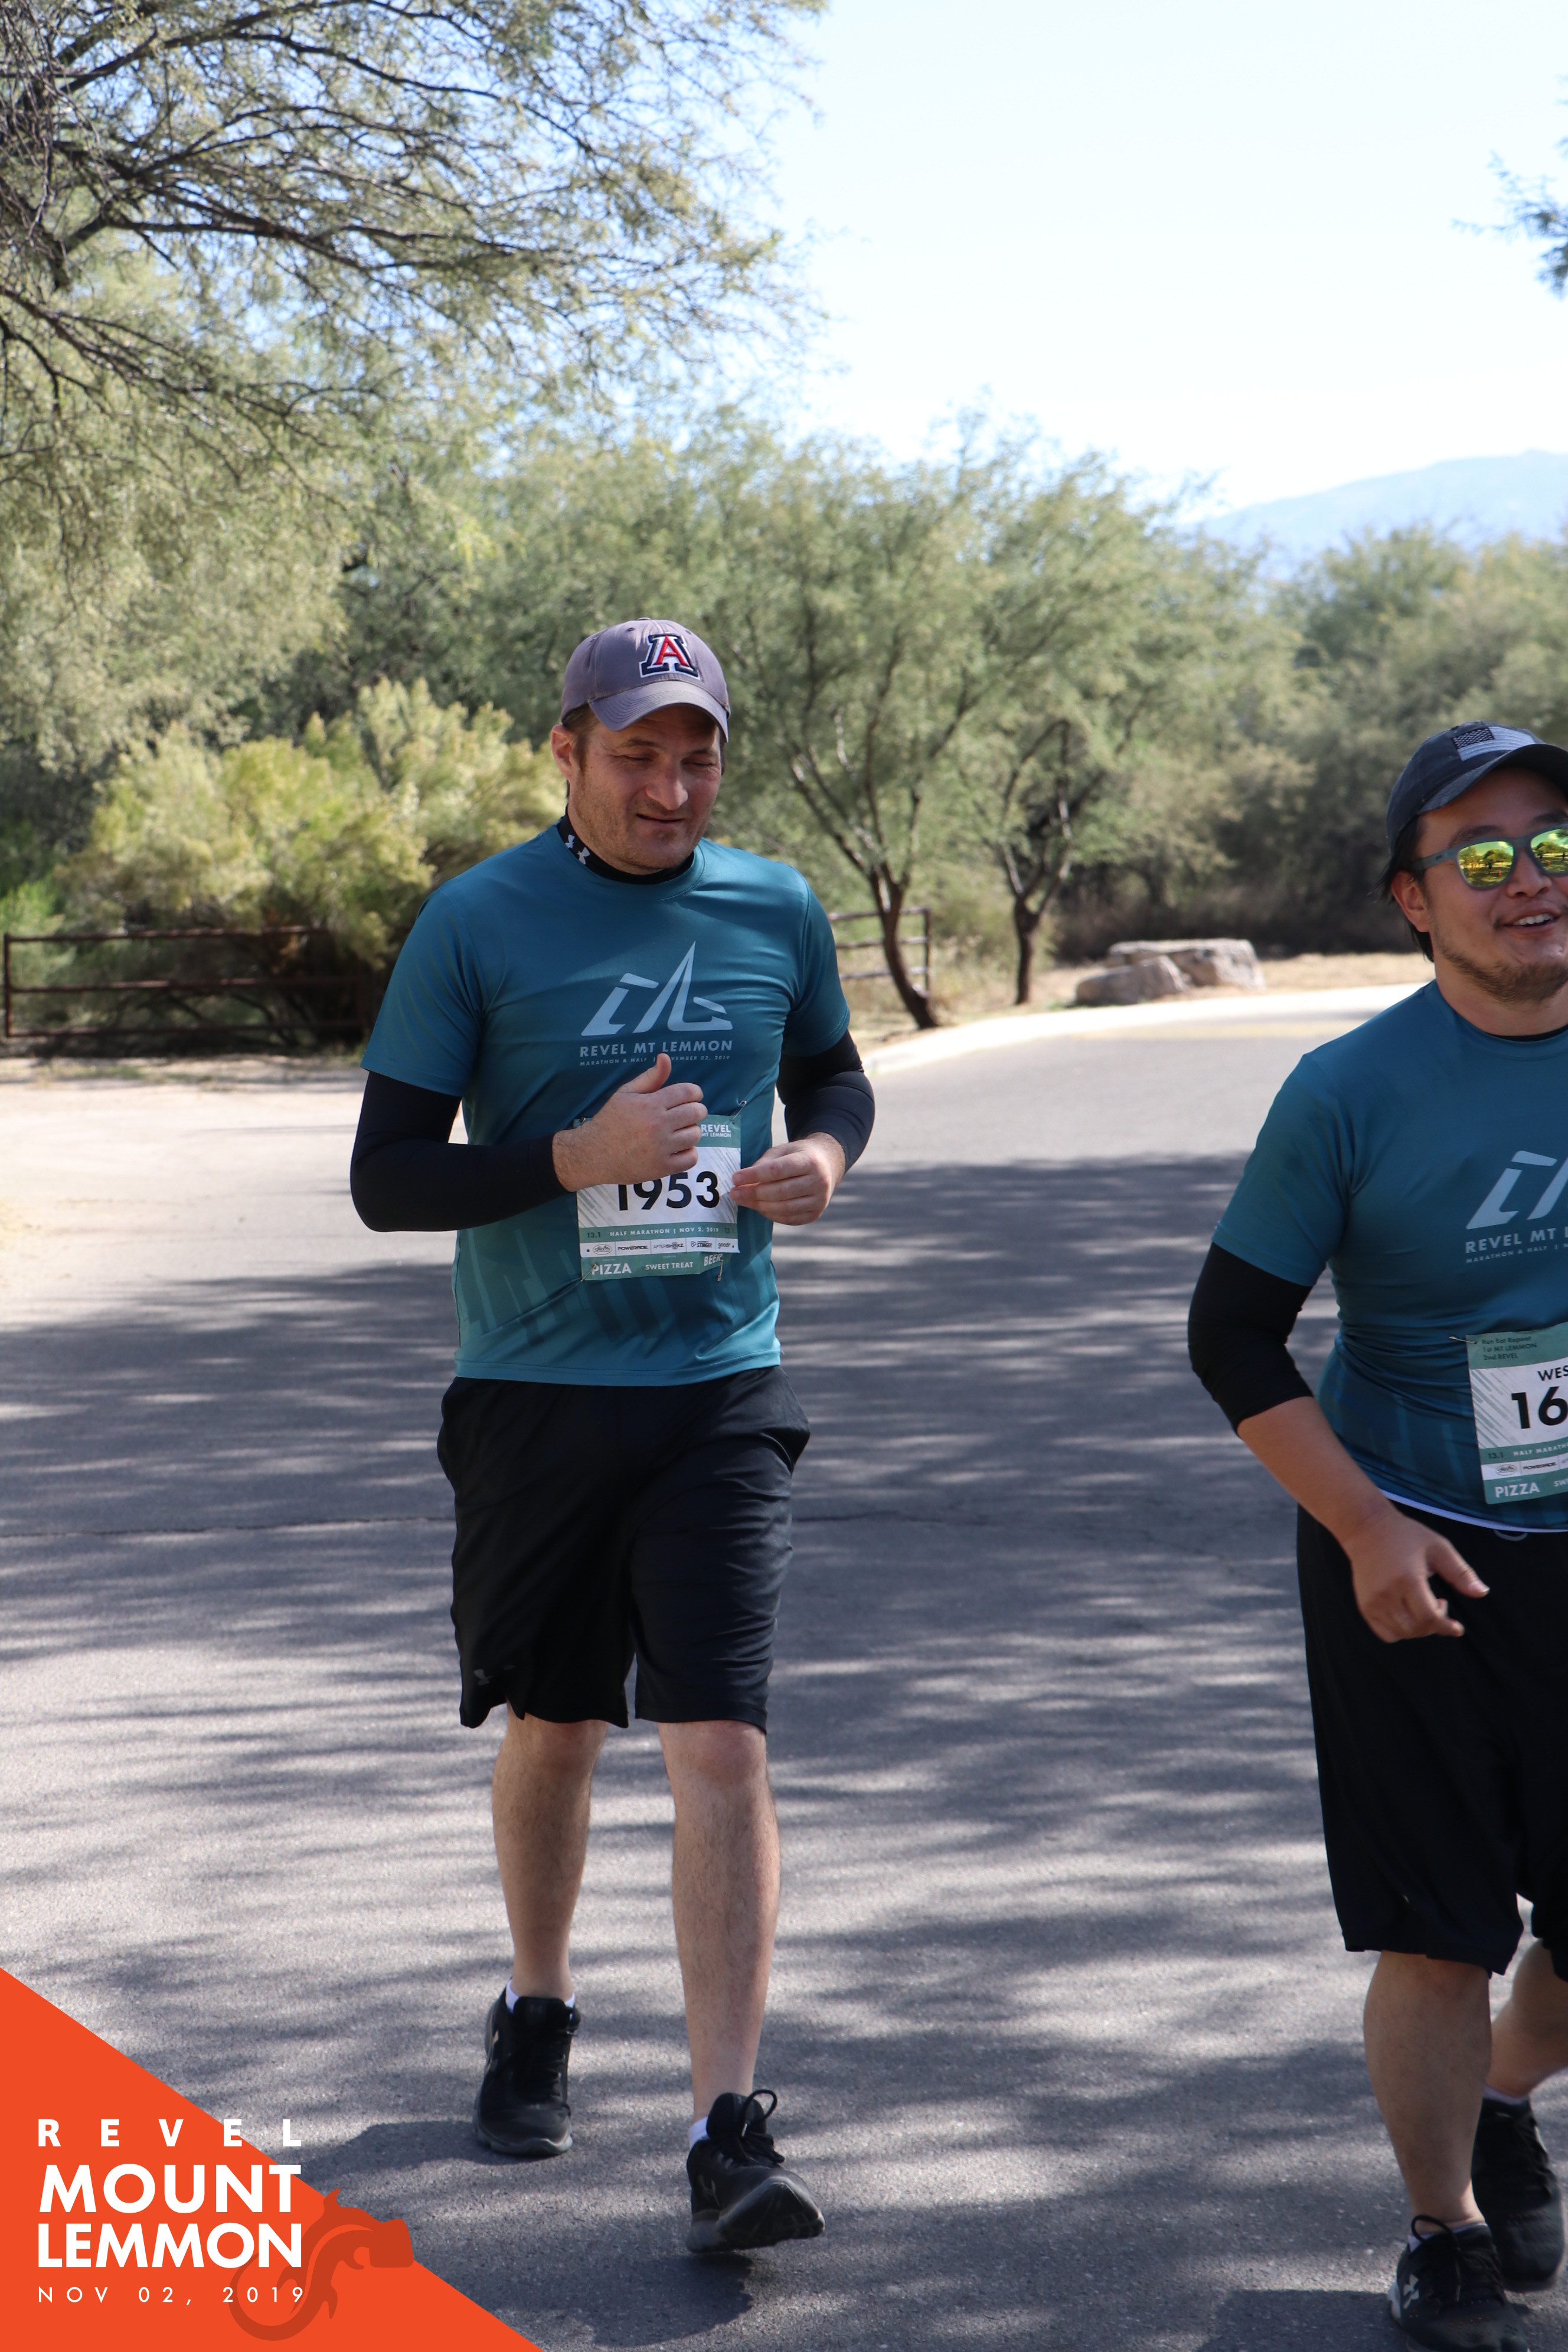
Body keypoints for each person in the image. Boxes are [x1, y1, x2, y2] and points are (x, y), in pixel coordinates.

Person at [348, 618, 873, 2253]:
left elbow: (838, 1079)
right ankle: (537, 2005)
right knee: (560, 1726)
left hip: (720, 1386)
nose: (671, 786)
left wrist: (824, 1160)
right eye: (637, 754)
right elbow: (385, 1180)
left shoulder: (776, 905)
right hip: (535, 1393)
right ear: (567, 751)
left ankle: (728, 2125)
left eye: (696, 755)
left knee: (722, 1741)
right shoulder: (477, 920)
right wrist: (571, 1160)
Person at [1188, 721, 1568, 2352]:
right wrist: (1363, 1528)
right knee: (1438, 1925)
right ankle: (1446, 2230)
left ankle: (1502, 2093)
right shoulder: (1347, 1092)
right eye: (1480, 857)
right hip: (1421, 1542)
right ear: (1415, 900)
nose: (1528, 879)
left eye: (1553, 844)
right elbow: (1232, 1337)